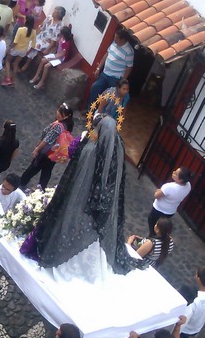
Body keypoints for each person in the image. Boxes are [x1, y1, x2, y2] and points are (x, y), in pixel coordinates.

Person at [27, 115, 147, 281]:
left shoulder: (90, 149)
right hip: (100, 201)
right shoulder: (116, 150)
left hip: (81, 196)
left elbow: (78, 172)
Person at [20, 104, 73, 191]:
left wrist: (37, 149)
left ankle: (22, 184)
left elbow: (47, 139)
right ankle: (41, 189)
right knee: (46, 171)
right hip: (54, 154)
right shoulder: (68, 125)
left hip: (45, 153)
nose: (58, 113)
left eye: (60, 113)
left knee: (33, 168)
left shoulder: (58, 126)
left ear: (66, 116)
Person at [169, 267, 205, 338]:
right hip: (196, 327)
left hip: (187, 329)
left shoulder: (195, 302)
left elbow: (184, 320)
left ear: (198, 279)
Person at [87, 28, 134, 107]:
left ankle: (100, 115)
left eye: (116, 38)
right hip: (105, 73)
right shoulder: (114, 43)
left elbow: (129, 68)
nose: (114, 39)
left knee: (108, 98)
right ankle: (90, 111)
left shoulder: (129, 51)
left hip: (115, 78)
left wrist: (122, 81)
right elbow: (107, 54)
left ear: (123, 40)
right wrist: (98, 68)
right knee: (95, 88)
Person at [147, 166, 192, 236]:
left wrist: (158, 191)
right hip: (170, 211)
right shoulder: (188, 186)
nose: (173, 172)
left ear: (180, 180)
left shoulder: (169, 187)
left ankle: (152, 238)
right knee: (161, 226)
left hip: (158, 209)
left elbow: (156, 195)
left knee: (153, 223)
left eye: (176, 174)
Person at [21, 5, 66, 73]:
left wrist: (47, 49)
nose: (53, 12)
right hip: (41, 37)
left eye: (55, 12)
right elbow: (41, 28)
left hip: (47, 42)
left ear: (58, 15)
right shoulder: (49, 18)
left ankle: (25, 64)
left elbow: (54, 40)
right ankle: (23, 61)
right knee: (30, 43)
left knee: (34, 46)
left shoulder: (60, 25)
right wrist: (33, 36)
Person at [2, 16, 36, 87]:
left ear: (26, 21)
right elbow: (33, 45)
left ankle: (7, 78)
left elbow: (15, 42)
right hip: (23, 51)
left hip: (15, 49)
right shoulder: (34, 32)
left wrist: (9, 48)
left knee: (8, 61)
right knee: (16, 64)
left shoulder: (20, 29)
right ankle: (12, 81)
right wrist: (28, 52)